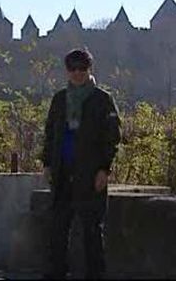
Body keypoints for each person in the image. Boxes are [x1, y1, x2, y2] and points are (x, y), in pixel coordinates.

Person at [42, 48, 122, 279]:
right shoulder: (59, 99)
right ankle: (56, 273)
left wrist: (105, 169)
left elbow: (112, 137)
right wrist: (47, 163)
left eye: (82, 68)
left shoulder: (102, 99)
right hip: (62, 171)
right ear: (67, 71)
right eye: (73, 68)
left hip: (90, 172)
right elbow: (50, 133)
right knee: (58, 229)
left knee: (92, 230)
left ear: (89, 69)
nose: (77, 73)